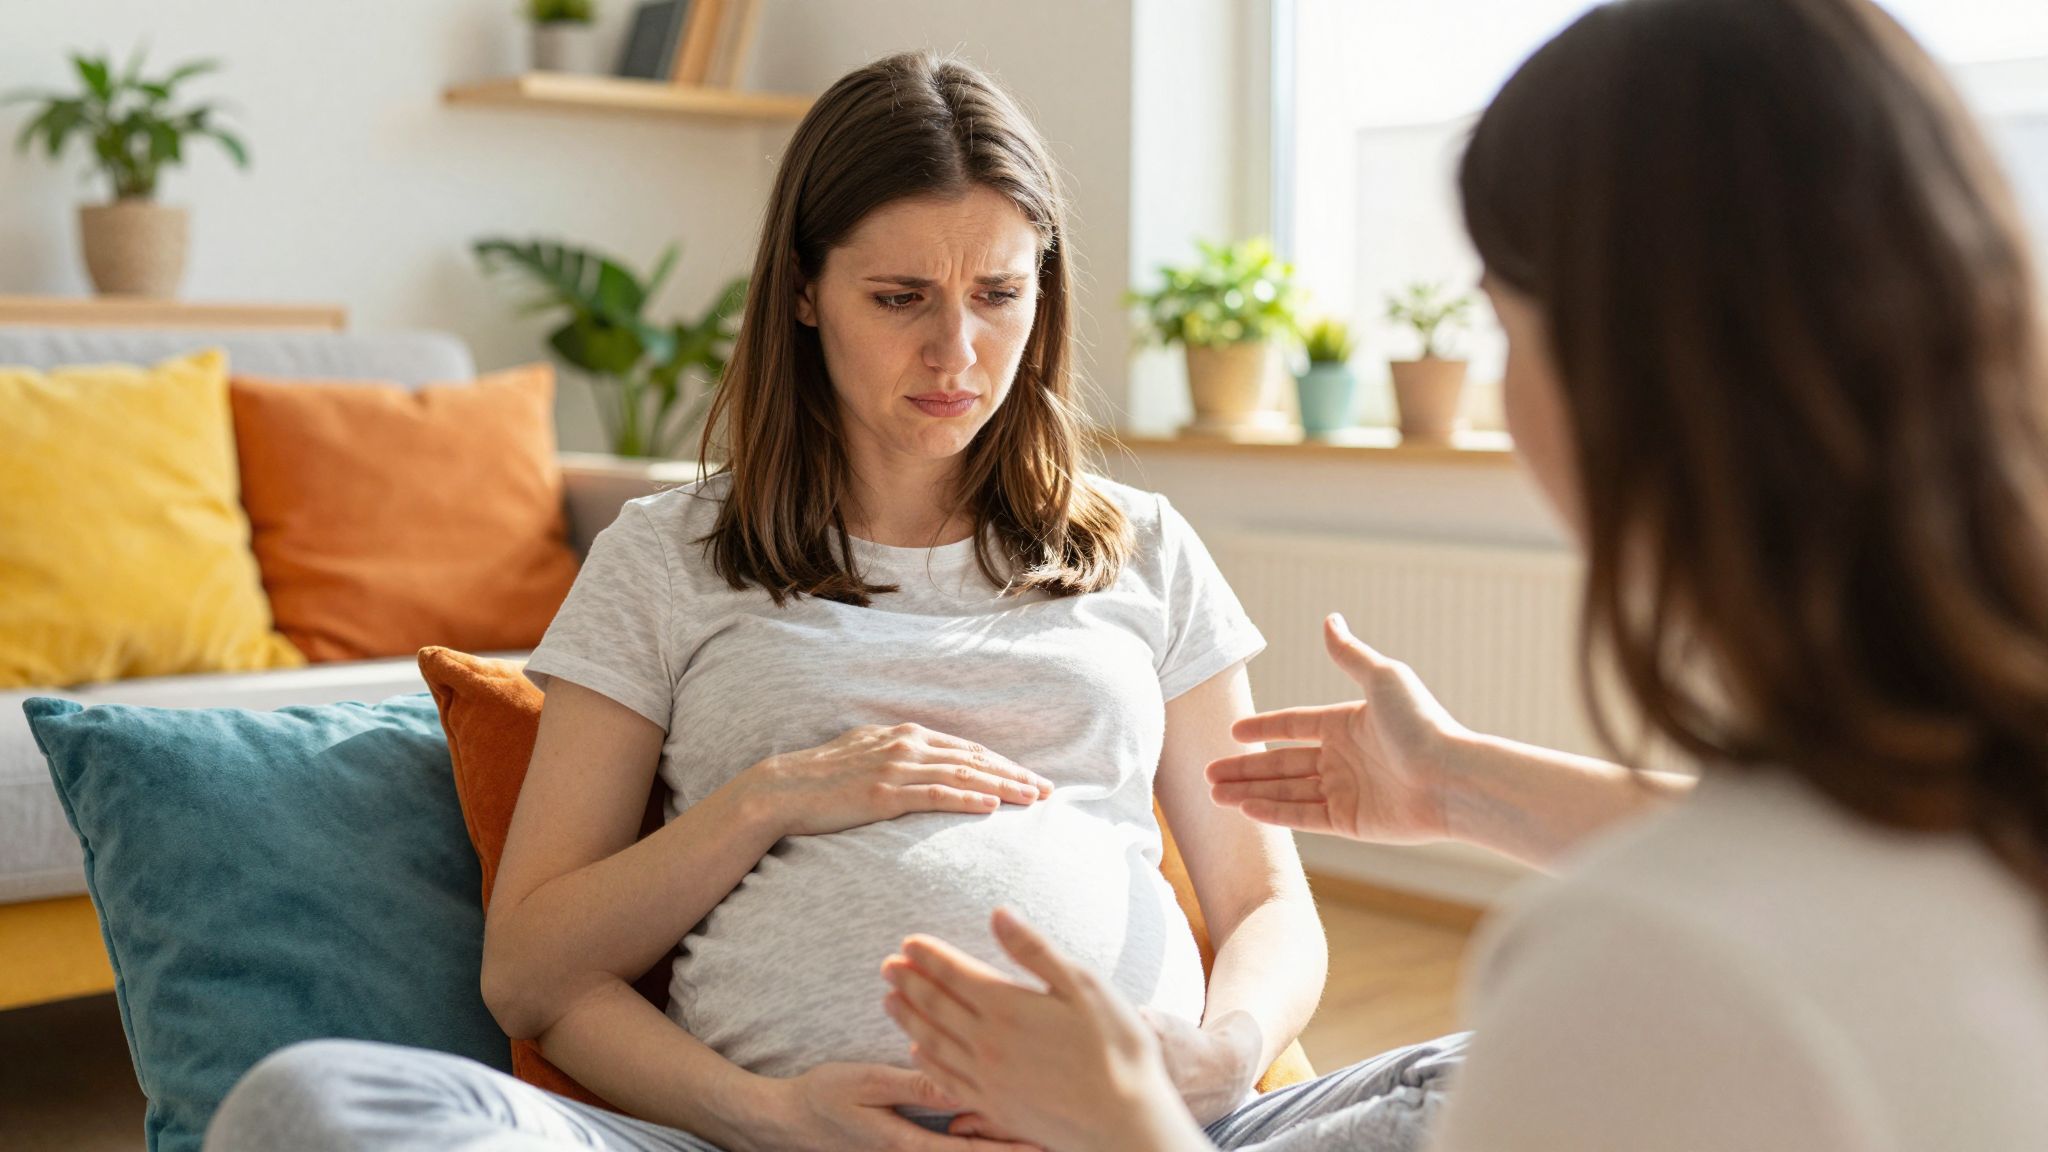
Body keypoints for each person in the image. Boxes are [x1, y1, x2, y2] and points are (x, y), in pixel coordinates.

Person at [203, 50, 1467, 1152]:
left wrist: (1215, 1058)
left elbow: (1263, 907)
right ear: (804, 290)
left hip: (1145, 1134)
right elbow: (533, 971)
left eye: (998, 295)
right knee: (309, 1105)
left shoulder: (1142, 548)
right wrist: (772, 815)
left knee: (1483, 1076)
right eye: (899, 298)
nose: (956, 355)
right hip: (761, 1138)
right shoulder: (664, 556)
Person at [880, 1, 2048, 1149]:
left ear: (1620, 375)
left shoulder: (1647, 973)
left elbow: (1762, 886)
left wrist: (1124, 1123)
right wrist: (1448, 783)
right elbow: (1818, 856)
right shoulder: (1977, 801)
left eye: (1498, 320)